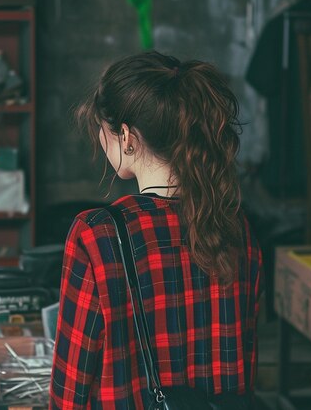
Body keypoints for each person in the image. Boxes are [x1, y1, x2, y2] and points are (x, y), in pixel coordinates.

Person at [49, 51, 263, 409]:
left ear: (127, 137)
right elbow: (245, 366)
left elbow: (69, 393)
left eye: (104, 131)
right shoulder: (236, 227)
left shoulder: (98, 235)